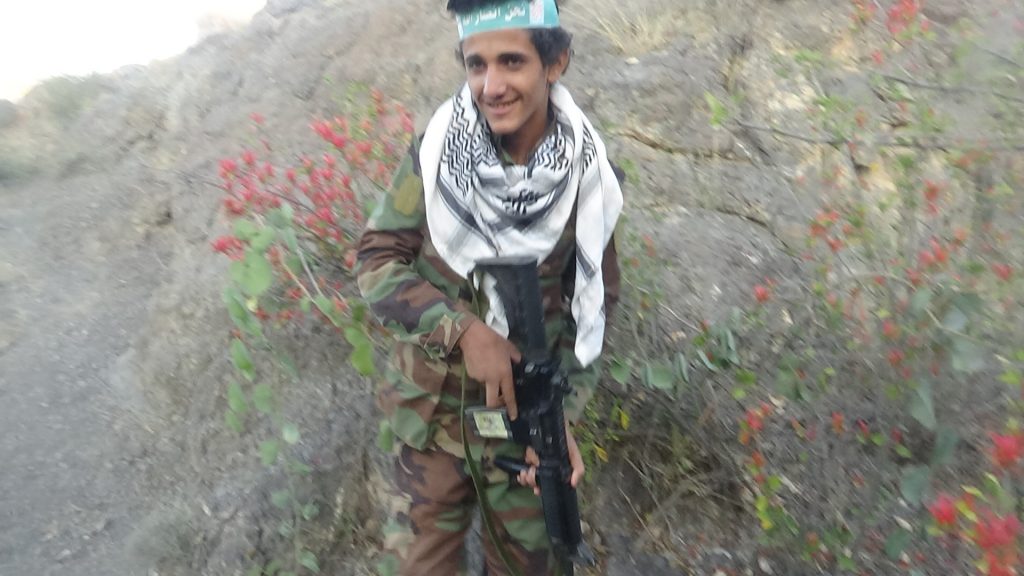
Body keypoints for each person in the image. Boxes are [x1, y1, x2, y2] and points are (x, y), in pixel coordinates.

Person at [356, 0, 623, 573]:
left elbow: (594, 310)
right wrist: (462, 331)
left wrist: (562, 419)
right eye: (476, 65)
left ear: (555, 63)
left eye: (512, 62)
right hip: (430, 426)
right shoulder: (436, 156)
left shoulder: (588, 178)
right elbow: (376, 262)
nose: (491, 85)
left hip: (524, 435)